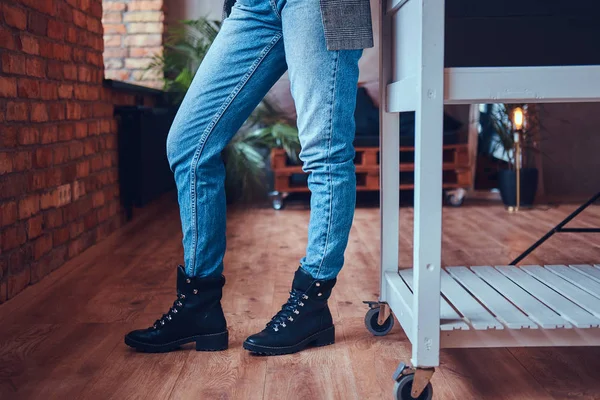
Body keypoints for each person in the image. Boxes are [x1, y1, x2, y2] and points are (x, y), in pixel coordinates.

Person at [124, 0, 373, 355]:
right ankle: (200, 305)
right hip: (253, 6)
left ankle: (311, 302)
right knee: (188, 144)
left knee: (325, 152)